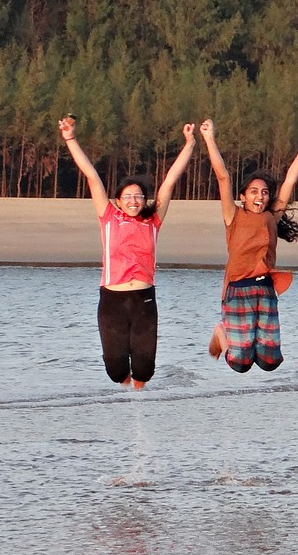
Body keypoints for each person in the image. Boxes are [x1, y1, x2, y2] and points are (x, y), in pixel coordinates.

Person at [57, 115, 197, 389]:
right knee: (115, 369)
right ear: (118, 201)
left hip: (144, 299)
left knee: (144, 370)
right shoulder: (109, 217)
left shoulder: (153, 220)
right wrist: (70, 138)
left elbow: (169, 182)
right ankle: (124, 398)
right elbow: (91, 175)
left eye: (139, 196)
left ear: (145, 200)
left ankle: (140, 401)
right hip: (112, 300)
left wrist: (190, 143)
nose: (134, 201)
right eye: (128, 197)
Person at [200, 115, 298, 373]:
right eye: (253, 192)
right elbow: (223, 177)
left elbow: (290, 179)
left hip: (265, 290)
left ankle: (239, 340)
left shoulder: (272, 217)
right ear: (243, 196)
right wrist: (209, 138)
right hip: (238, 290)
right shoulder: (234, 216)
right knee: (240, 364)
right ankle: (221, 334)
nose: (260, 197)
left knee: (269, 362)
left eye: (264, 192)